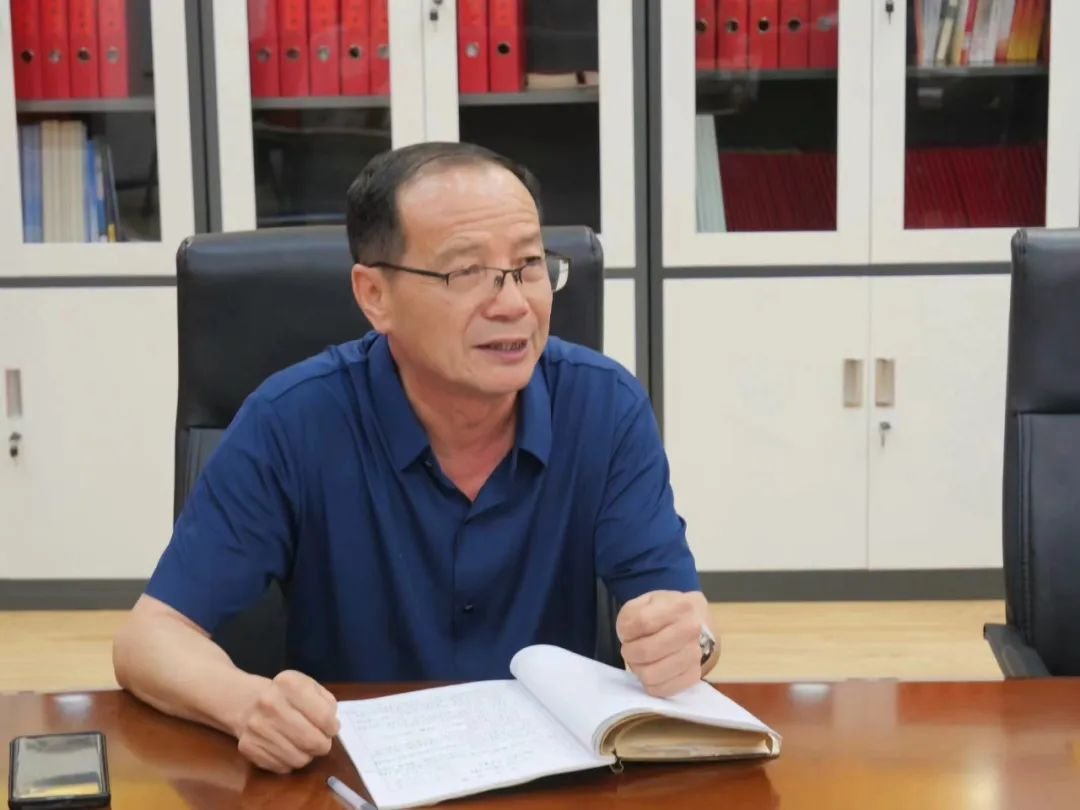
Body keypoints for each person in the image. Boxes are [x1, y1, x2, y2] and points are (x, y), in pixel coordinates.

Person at [113, 142, 718, 774]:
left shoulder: (605, 406)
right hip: (353, 778)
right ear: (374, 294)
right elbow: (150, 640)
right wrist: (246, 705)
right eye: (466, 272)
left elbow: (685, 615)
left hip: (554, 779)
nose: (513, 304)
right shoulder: (291, 420)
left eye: (529, 265)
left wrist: (691, 644)